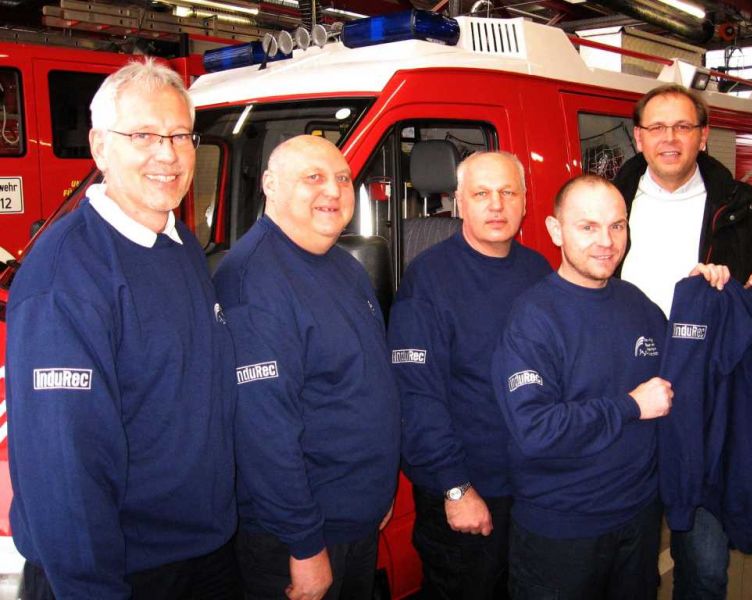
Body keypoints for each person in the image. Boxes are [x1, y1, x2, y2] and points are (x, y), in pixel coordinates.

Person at [5, 59, 239, 599]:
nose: (167, 153)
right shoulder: (68, 274)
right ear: (99, 146)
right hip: (121, 571)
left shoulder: (177, 246)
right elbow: (65, 467)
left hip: (201, 554)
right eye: (143, 135)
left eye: (180, 135)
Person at [613, 83, 752, 599]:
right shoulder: (610, 201)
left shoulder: (745, 208)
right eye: (656, 127)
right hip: (624, 397)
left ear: (703, 136)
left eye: (682, 126)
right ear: (638, 137)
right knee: (627, 558)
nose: (668, 138)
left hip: (708, 405)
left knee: (706, 563)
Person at [213, 134, 400, 600]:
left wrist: (377, 492)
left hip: (351, 517)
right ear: (271, 186)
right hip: (299, 537)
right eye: (313, 178)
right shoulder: (254, 281)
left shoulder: (343, 265)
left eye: (342, 178)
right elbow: (263, 431)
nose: (334, 191)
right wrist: (303, 544)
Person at [492, 174, 673, 600]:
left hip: (639, 520)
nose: (606, 241)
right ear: (556, 231)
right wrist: (630, 406)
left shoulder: (640, 306)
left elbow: (685, 383)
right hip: (563, 533)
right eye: (587, 227)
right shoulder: (534, 318)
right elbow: (535, 428)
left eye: (617, 225)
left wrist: (719, 297)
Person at [387, 151, 551, 599]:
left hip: (531, 487)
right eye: (481, 194)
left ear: (524, 201)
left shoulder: (538, 271)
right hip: (467, 490)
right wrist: (455, 487)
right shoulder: (429, 278)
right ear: (459, 201)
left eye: (507, 193)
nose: (496, 205)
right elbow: (416, 395)